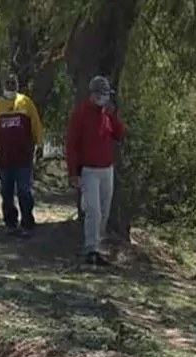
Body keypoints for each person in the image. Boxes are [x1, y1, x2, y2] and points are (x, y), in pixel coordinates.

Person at [66, 75, 126, 266]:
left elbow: (120, 134)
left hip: (106, 170)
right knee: (93, 211)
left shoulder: (107, 114)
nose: (104, 98)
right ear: (93, 94)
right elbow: (71, 144)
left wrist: (113, 116)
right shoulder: (81, 112)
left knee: (104, 211)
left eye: (107, 95)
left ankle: (98, 248)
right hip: (89, 171)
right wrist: (73, 173)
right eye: (102, 94)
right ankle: (90, 248)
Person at [0, 74, 45, 236]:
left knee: (24, 190)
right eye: (8, 82)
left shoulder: (26, 102)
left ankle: (27, 223)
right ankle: (10, 224)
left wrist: (40, 144)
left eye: (13, 83)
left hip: (24, 157)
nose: (11, 85)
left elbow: (36, 124)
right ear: (3, 85)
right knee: (7, 192)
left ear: (17, 85)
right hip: (4, 159)